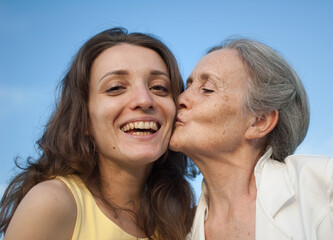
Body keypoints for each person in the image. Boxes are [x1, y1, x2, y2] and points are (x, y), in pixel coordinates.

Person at [0, 27, 196, 240]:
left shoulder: (185, 220)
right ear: (83, 119)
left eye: (159, 87)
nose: (144, 100)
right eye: (115, 88)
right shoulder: (53, 203)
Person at [170, 38, 333, 239]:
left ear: (259, 122)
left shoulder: (318, 186)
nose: (180, 100)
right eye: (187, 87)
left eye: (207, 89)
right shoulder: (182, 230)